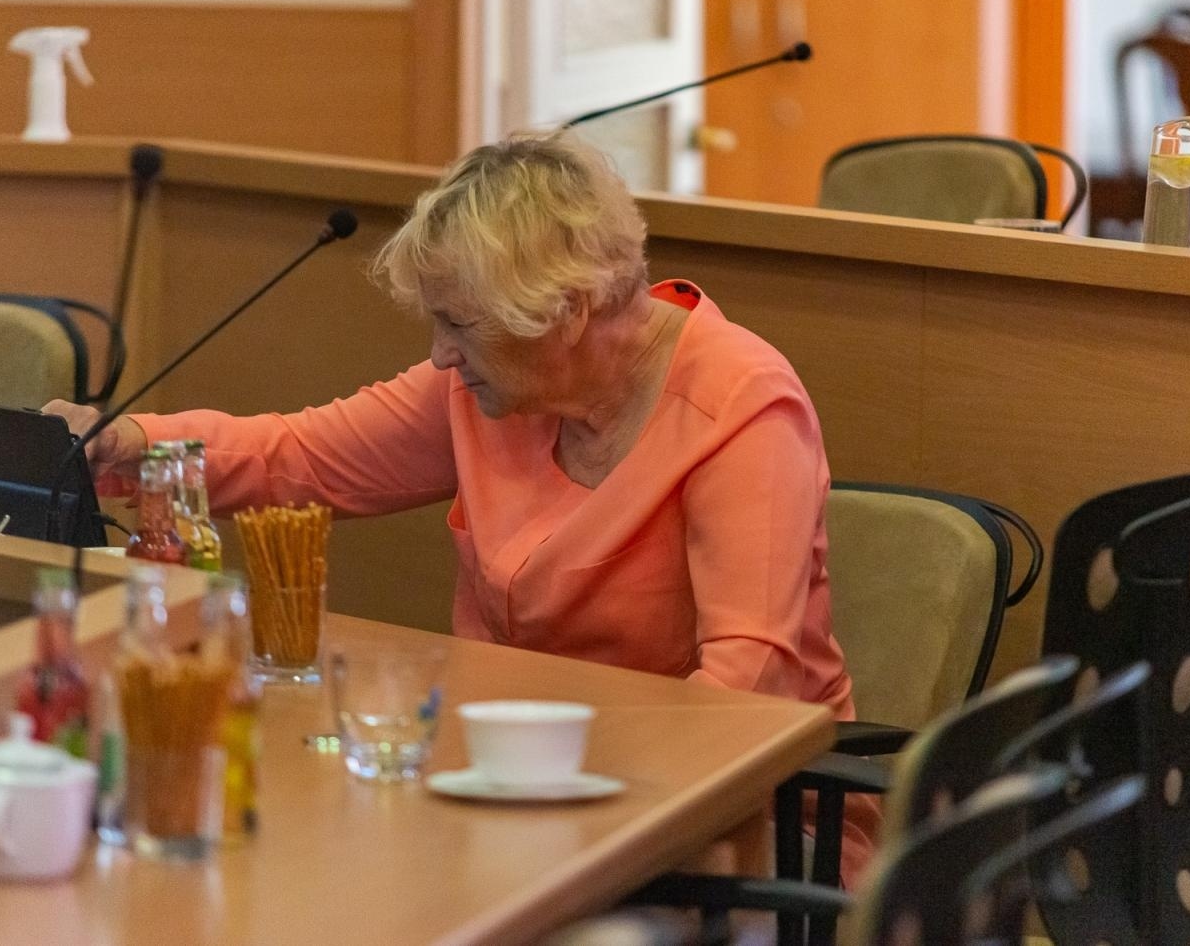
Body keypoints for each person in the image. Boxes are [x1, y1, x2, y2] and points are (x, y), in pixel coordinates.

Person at [45, 132, 881, 881]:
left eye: (459, 325)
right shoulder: (492, 386)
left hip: (735, 830)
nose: (441, 354)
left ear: (566, 310)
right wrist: (141, 444)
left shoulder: (742, 409)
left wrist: (584, 821)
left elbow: (741, 689)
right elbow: (302, 455)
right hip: (511, 788)